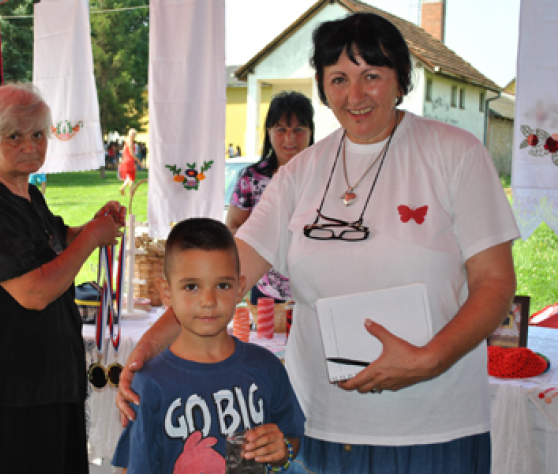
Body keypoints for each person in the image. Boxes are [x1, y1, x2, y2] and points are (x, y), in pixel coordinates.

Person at [117, 12, 519, 473]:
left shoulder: (455, 153)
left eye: (372, 76)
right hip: (322, 428)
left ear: (401, 79)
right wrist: (147, 347)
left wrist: (430, 359)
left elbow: (495, 281)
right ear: (323, 87)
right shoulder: (299, 173)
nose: (356, 95)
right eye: (339, 79)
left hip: (434, 426)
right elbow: (230, 273)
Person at [0, 83, 126, 474]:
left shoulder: (26, 195)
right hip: (4, 396)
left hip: (42, 384)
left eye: (38, 134)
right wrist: (93, 239)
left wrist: (95, 225)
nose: (30, 145)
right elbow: (35, 290)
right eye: (14, 135)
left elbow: (58, 242)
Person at [110, 218, 305, 473]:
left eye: (223, 285)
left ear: (240, 289)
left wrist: (282, 451)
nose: (209, 300)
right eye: (192, 286)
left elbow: (291, 438)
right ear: (166, 292)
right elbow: (135, 468)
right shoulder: (150, 383)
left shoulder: (266, 367)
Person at [225, 91, 315, 305]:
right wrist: (271, 242)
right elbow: (232, 227)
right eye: (281, 130)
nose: (290, 139)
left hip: (315, 290)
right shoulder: (251, 178)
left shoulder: (327, 176)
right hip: (266, 291)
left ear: (311, 132)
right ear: (269, 132)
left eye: (299, 130)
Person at [119, 128, 140, 196]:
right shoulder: (130, 143)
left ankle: (123, 188)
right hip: (130, 161)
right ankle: (131, 192)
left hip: (125, 161)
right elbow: (132, 154)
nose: (134, 136)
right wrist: (138, 160)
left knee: (129, 177)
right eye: (134, 134)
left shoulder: (126, 143)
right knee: (132, 177)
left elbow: (123, 153)